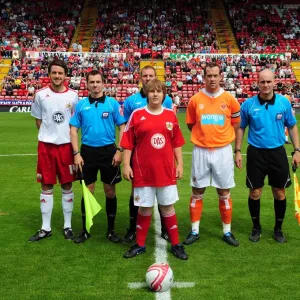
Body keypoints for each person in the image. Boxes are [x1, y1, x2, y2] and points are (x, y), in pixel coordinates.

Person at [121, 79, 188, 260]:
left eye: (159, 91)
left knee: (167, 207)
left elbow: (176, 143)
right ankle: (140, 244)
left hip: (166, 171)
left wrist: (180, 164)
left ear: (164, 94)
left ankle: (176, 244)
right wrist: (126, 165)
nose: (155, 94)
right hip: (143, 172)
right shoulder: (137, 115)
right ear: (147, 94)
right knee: (144, 208)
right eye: (152, 91)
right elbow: (127, 143)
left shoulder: (170, 115)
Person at [235, 69, 300, 243]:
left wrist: (297, 150)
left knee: (279, 192)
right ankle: (256, 227)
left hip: (278, 152)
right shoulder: (248, 105)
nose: (265, 85)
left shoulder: (283, 103)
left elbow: (292, 126)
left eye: (268, 82)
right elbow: (240, 128)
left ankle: (278, 229)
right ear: (257, 83)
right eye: (262, 82)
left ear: (274, 82)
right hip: (256, 153)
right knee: (255, 192)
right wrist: (238, 151)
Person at [184, 62, 241, 247]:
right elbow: (191, 124)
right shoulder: (195, 100)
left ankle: (227, 231)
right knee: (197, 190)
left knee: (224, 192)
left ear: (220, 76)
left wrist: (221, 137)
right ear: (204, 76)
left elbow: (235, 124)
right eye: (209, 75)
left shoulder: (230, 99)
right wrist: (203, 136)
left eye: (215, 75)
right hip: (200, 150)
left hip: (223, 151)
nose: (212, 79)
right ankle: (194, 230)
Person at [70, 70, 126, 244]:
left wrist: (120, 150)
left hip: (109, 152)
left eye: (98, 81)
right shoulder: (81, 105)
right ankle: (85, 229)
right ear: (86, 84)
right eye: (91, 82)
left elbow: (123, 127)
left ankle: (111, 230)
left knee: (110, 191)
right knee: (89, 191)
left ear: (103, 83)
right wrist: (76, 153)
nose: (95, 85)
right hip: (87, 153)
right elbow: (73, 130)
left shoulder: (112, 104)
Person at [121, 65, 173, 244]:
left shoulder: (166, 101)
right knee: (137, 193)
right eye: (145, 75)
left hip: (159, 152)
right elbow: (126, 129)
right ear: (140, 78)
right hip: (138, 152)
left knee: (162, 191)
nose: (148, 78)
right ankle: (132, 229)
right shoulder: (131, 102)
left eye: (151, 75)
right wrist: (125, 157)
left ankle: (166, 229)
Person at [29, 59, 79, 242]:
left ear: (66, 75)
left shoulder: (73, 96)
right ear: (49, 74)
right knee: (46, 185)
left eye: (60, 73)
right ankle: (45, 227)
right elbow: (38, 121)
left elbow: (75, 123)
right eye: (54, 73)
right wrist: (49, 135)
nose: (57, 76)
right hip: (46, 147)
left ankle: (67, 226)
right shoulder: (41, 95)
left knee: (67, 185)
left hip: (66, 147)